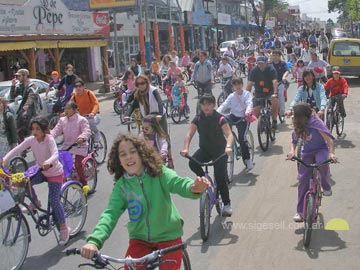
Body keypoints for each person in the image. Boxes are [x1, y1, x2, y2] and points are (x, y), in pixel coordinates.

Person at [80, 134, 209, 269]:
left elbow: (178, 183)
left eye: (132, 151)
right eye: (123, 154)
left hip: (169, 237)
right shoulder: (122, 186)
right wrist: (94, 241)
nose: (128, 157)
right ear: (119, 160)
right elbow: (110, 215)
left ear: (142, 153)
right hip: (140, 240)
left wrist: (194, 188)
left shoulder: (160, 173)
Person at [2, 117, 70, 245]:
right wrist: (4, 160)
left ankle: (64, 228)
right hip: (40, 170)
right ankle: (36, 202)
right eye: (33, 129)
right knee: (22, 181)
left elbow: (55, 153)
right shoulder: (31, 140)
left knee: (54, 200)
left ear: (44, 130)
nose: (35, 131)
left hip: (54, 173)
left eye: (38, 129)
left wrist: (49, 161)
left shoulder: (49, 139)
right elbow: (17, 150)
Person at [181, 95, 234, 216]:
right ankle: (204, 181)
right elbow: (189, 134)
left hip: (220, 151)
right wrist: (186, 148)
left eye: (209, 104)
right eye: (203, 104)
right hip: (205, 149)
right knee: (193, 162)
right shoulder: (198, 118)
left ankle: (227, 204)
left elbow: (229, 134)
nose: (206, 107)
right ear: (200, 105)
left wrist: (228, 146)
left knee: (220, 177)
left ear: (214, 105)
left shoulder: (220, 118)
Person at [287, 103, 337, 222]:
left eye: (296, 116)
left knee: (322, 162)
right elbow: (293, 141)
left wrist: (332, 153)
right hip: (307, 151)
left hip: (321, 149)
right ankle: (300, 211)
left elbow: (329, 140)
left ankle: (326, 185)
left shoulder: (316, 123)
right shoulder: (298, 124)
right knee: (303, 179)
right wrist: (292, 151)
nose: (294, 118)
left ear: (303, 116)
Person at [51, 101, 91, 194]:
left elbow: (87, 131)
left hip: (80, 146)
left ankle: (85, 185)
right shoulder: (62, 120)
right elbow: (55, 131)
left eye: (68, 108)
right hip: (68, 146)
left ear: (74, 110)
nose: (66, 110)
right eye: (65, 108)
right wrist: (49, 137)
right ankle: (62, 185)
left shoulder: (81, 120)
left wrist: (82, 138)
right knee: (60, 164)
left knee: (78, 164)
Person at [217, 77, 254, 170]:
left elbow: (249, 103)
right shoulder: (231, 96)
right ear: (233, 86)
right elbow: (224, 105)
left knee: (242, 139)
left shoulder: (247, 94)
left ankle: (248, 160)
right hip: (233, 115)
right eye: (235, 84)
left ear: (242, 84)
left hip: (243, 117)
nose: (237, 86)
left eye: (239, 84)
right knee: (223, 120)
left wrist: (247, 112)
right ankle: (229, 139)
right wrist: (216, 113)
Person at [246, 56, 279, 129]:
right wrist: (246, 96)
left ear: (266, 63)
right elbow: (250, 84)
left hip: (271, 91)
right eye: (259, 63)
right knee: (256, 113)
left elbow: (274, 81)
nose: (260, 65)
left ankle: (274, 120)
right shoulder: (254, 70)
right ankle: (263, 121)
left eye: (262, 63)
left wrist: (275, 93)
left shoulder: (271, 69)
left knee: (274, 101)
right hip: (259, 92)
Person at [9, 68, 40, 141]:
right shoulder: (20, 86)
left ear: (25, 76)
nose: (18, 78)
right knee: (19, 125)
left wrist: (26, 106)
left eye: (19, 76)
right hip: (23, 108)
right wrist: (13, 86)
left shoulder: (33, 85)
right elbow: (12, 96)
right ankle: (23, 145)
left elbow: (31, 96)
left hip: (33, 109)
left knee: (27, 123)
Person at [70, 78, 101, 143]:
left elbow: (96, 104)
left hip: (94, 116)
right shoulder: (74, 97)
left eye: (80, 86)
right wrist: (65, 113)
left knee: (90, 121)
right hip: (82, 118)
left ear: (83, 86)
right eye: (76, 86)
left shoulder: (89, 93)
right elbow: (69, 107)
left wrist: (92, 113)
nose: (78, 88)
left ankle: (96, 133)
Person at [272, 50, 290, 119]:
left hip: (280, 83)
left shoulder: (282, 63)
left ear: (280, 56)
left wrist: (284, 76)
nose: (275, 57)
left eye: (277, 55)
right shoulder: (270, 64)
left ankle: (282, 114)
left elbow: (287, 71)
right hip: (271, 84)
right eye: (274, 55)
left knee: (280, 96)